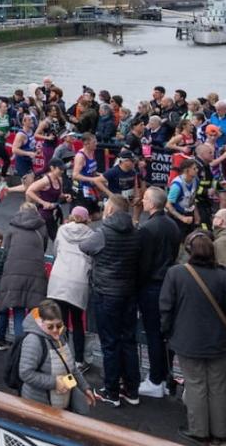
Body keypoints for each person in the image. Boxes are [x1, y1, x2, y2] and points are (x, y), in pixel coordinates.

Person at [160, 231, 226, 445]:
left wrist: (166, 331)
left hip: (188, 339)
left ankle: (199, 430)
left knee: (196, 384)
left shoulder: (177, 273)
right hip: (219, 340)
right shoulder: (222, 275)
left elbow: (166, 307)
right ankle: (220, 431)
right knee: (218, 386)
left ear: (189, 250)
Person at [79, 194, 141, 407]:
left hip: (106, 293)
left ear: (110, 211)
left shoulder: (104, 232)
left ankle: (112, 391)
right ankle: (132, 390)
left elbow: (85, 246)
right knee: (129, 342)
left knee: (110, 344)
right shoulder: (136, 231)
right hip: (129, 292)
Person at [137, 185, 181, 398]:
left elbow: (143, 264)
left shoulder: (147, 229)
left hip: (152, 287)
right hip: (169, 285)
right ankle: (165, 376)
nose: (142, 201)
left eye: (145, 198)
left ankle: (156, 379)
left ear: (153, 203)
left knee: (153, 334)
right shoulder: (173, 226)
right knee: (165, 335)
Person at [19, 300, 94, 412]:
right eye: (50, 327)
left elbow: (71, 367)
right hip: (39, 405)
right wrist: (54, 382)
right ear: (41, 323)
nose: (55, 330)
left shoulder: (61, 335)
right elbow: (25, 373)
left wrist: (84, 387)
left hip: (59, 402)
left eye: (59, 325)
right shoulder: (33, 341)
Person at [46, 206, 93, 374]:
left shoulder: (62, 230)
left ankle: (62, 357)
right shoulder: (91, 235)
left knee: (61, 321)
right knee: (78, 322)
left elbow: (55, 251)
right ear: (87, 219)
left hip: (59, 278)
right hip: (79, 281)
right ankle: (79, 360)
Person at [0, 202, 48, 336]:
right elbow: (43, 247)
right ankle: (33, 343)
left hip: (14, 272)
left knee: (18, 311)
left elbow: (6, 249)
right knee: (35, 313)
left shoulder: (13, 226)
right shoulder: (41, 227)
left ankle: (19, 345)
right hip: (36, 272)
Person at [25, 158, 70, 241]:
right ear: (52, 168)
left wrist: (65, 196)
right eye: (60, 169)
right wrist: (43, 202)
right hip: (43, 213)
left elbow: (59, 194)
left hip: (53, 211)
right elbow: (29, 191)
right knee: (45, 238)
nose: (62, 171)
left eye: (63, 169)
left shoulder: (59, 179)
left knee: (56, 238)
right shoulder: (45, 180)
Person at [71, 133, 109, 219]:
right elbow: (75, 175)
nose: (96, 144)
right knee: (82, 216)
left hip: (91, 188)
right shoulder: (80, 156)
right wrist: (93, 179)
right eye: (94, 142)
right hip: (81, 190)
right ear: (86, 144)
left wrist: (100, 176)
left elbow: (91, 170)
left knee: (96, 215)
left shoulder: (92, 152)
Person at [166, 158, 198, 237]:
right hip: (177, 215)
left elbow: (193, 198)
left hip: (189, 213)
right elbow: (168, 205)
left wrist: (197, 215)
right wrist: (182, 218)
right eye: (194, 168)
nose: (197, 170)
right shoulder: (177, 185)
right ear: (186, 170)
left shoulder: (195, 180)